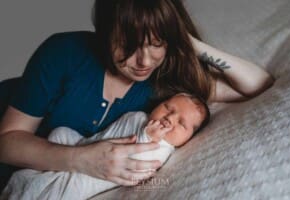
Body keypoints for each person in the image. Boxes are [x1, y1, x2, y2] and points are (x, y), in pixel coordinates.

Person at [0, 0, 274, 191]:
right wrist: (83, 160)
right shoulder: (63, 53)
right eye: (129, 45)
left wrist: (185, 40)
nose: (144, 60)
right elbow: (7, 142)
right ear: (105, 33)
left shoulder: (165, 81)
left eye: (157, 44)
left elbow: (259, 84)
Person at [1, 93, 210, 200]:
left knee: (51, 191)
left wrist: (147, 137)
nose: (170, 118)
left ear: (188, 139)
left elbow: (138, 164)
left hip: (93, 176)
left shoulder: (162, 147)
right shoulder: (139, 116)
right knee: (60, 132)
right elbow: (106, 135)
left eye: (181, 124)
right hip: (85, 145)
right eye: (168, 107)